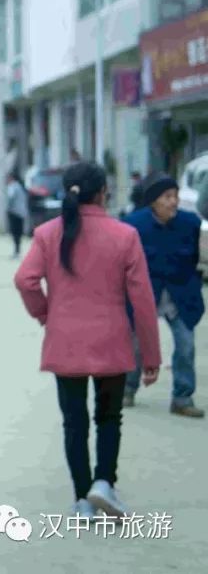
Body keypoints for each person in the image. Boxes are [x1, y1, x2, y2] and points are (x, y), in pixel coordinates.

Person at [14, 162, 161, 519]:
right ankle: (103, 484)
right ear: (103, 193)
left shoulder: (48, 233)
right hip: (112, 339)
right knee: (109, 417)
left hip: (65, 341)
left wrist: (46, 314)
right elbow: (142, 301)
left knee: (74, 422)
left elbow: (25, 280)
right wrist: (152, 355)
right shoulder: (125, 235)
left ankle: (82, 500)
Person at [124, 172, 205, 418]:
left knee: (186, 345)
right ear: (152, 201)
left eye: (176, 196)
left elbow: (193, 259)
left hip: (180, 294)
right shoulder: (133, 225)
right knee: (136, 346)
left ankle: (182, 397)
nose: (173, 202)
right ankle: (128, 388)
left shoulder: (189, 223)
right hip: (145, 295)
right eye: (167, 196)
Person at [6, 171, 30, 258]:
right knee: (18, 232)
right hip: (21, 212)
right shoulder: (20, 186)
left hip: (14, 212)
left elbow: (10, 198)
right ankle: (18, 250)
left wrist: (7, 208)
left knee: (15, 232)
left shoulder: (13, 186)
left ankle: (16, 251)